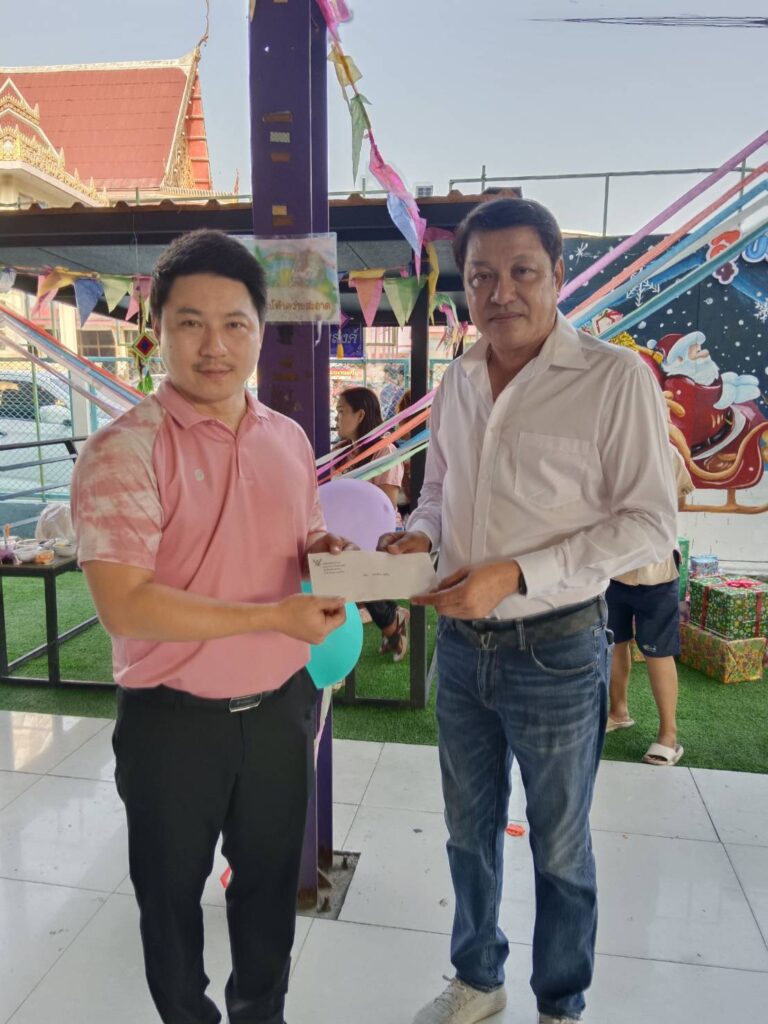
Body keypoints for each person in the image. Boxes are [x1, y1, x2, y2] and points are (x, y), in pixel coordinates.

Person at [378, 197, 677, 1024]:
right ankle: (479, 978)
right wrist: (418, 535)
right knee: (467, 832)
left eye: (521, 272)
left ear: (557, 275)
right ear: (464, 285)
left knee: (559, 843)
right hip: (461, 649)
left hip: (558, 647)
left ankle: (560, 1003)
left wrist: (517, 573)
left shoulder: (614, 379)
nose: (499, 291)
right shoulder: (458, 380)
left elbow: (650, 521)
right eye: (481, 275)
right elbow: (438, 491)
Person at [70, 228, 353, 1024]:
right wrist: (273, 616)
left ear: (261, 331)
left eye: (235, 323)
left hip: (279, 712)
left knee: (268, 896)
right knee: (169, 903)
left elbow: (303, 532)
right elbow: (127, 604)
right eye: (190, 323)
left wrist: (323, 551)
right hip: (172, 726)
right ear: (156, 328)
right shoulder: (123, 451)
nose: (214, 345)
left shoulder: (289, 439)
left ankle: (261, 1014)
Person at [605, 442, 694, 766]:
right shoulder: (608, 447)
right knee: (614, 641)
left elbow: (679, 500)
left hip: (656, 570)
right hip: (613, 566)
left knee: (658, 650)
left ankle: (668, 734)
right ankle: (618, 711)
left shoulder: (666, 452)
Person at [335, 385, 409, 660]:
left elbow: (385, 506)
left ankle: (392, 626)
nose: (337, 418)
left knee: (355, 567)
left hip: (382, 534)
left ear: (360, 415)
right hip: (348, 532)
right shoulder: (343, 452)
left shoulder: (384, 451)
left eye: (341, 412)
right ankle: (393, 618)